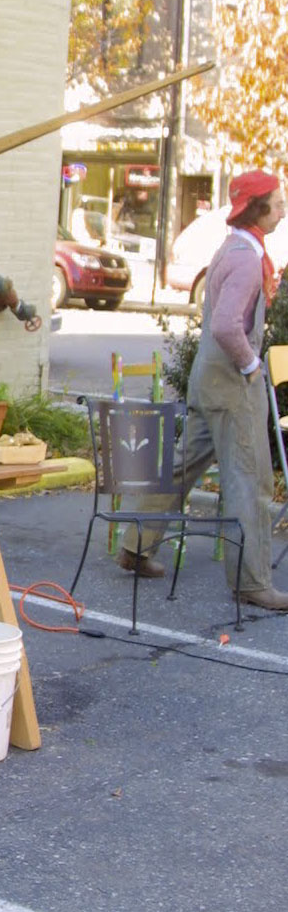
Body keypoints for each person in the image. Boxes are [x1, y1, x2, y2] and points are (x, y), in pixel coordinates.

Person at [117, 169, 288, 611]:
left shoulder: (231, 248)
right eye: (277, 200)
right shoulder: (248, 258)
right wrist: (252, 364)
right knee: (251, 479)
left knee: (183, 466)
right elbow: (228, 324)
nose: (283, 207)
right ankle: (252, 582)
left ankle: (135, 544)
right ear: (258, 208)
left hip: (207, 374)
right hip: (232, 380)